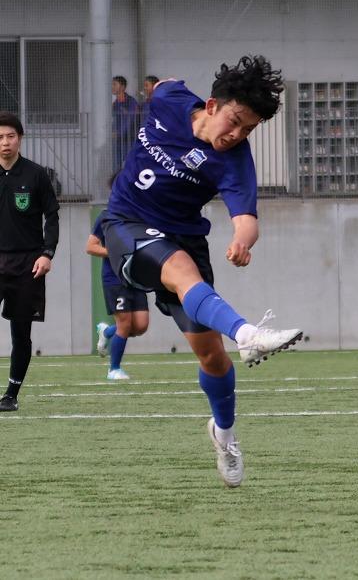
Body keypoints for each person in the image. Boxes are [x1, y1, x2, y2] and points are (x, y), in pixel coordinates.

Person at [101, 55, 302, 486]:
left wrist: (242, 240)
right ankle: (248, 334)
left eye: (248, 129)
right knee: (181, 270)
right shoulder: (170, 99)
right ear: (211, 106)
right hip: (126, 224)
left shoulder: (235, 160)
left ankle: (224, 434)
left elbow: (247, 219)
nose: (237, 135)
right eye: (235, 121)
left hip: (184, 238)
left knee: (213, 358)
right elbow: (166, 83)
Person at [0, 111, 59, 411]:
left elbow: (52, 216)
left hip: (28, 264)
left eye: (10, 136)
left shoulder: (36, 174)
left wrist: (47, 253)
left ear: (20, 139)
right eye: (0, 137)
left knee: (21, 333)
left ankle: (11, 395)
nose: (5, 142)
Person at [86, 209, 149, 380]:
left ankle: (107, 332)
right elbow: (90, 247)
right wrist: (115, 252)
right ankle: (114, 369)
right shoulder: (107, 215)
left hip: (136, 278)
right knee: (125, 323)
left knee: (141, 326)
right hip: (115, 278)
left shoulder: (143, 213)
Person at [111, 76, 140, 172]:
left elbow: (130, 120)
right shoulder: (115, 104)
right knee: (116, 167)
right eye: (112, 84)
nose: (112, 87)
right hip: (117, 141)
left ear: (123, 87)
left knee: (130, 165)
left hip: (130, 139)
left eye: (115, 84)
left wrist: (118, 132)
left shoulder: (131, 102)